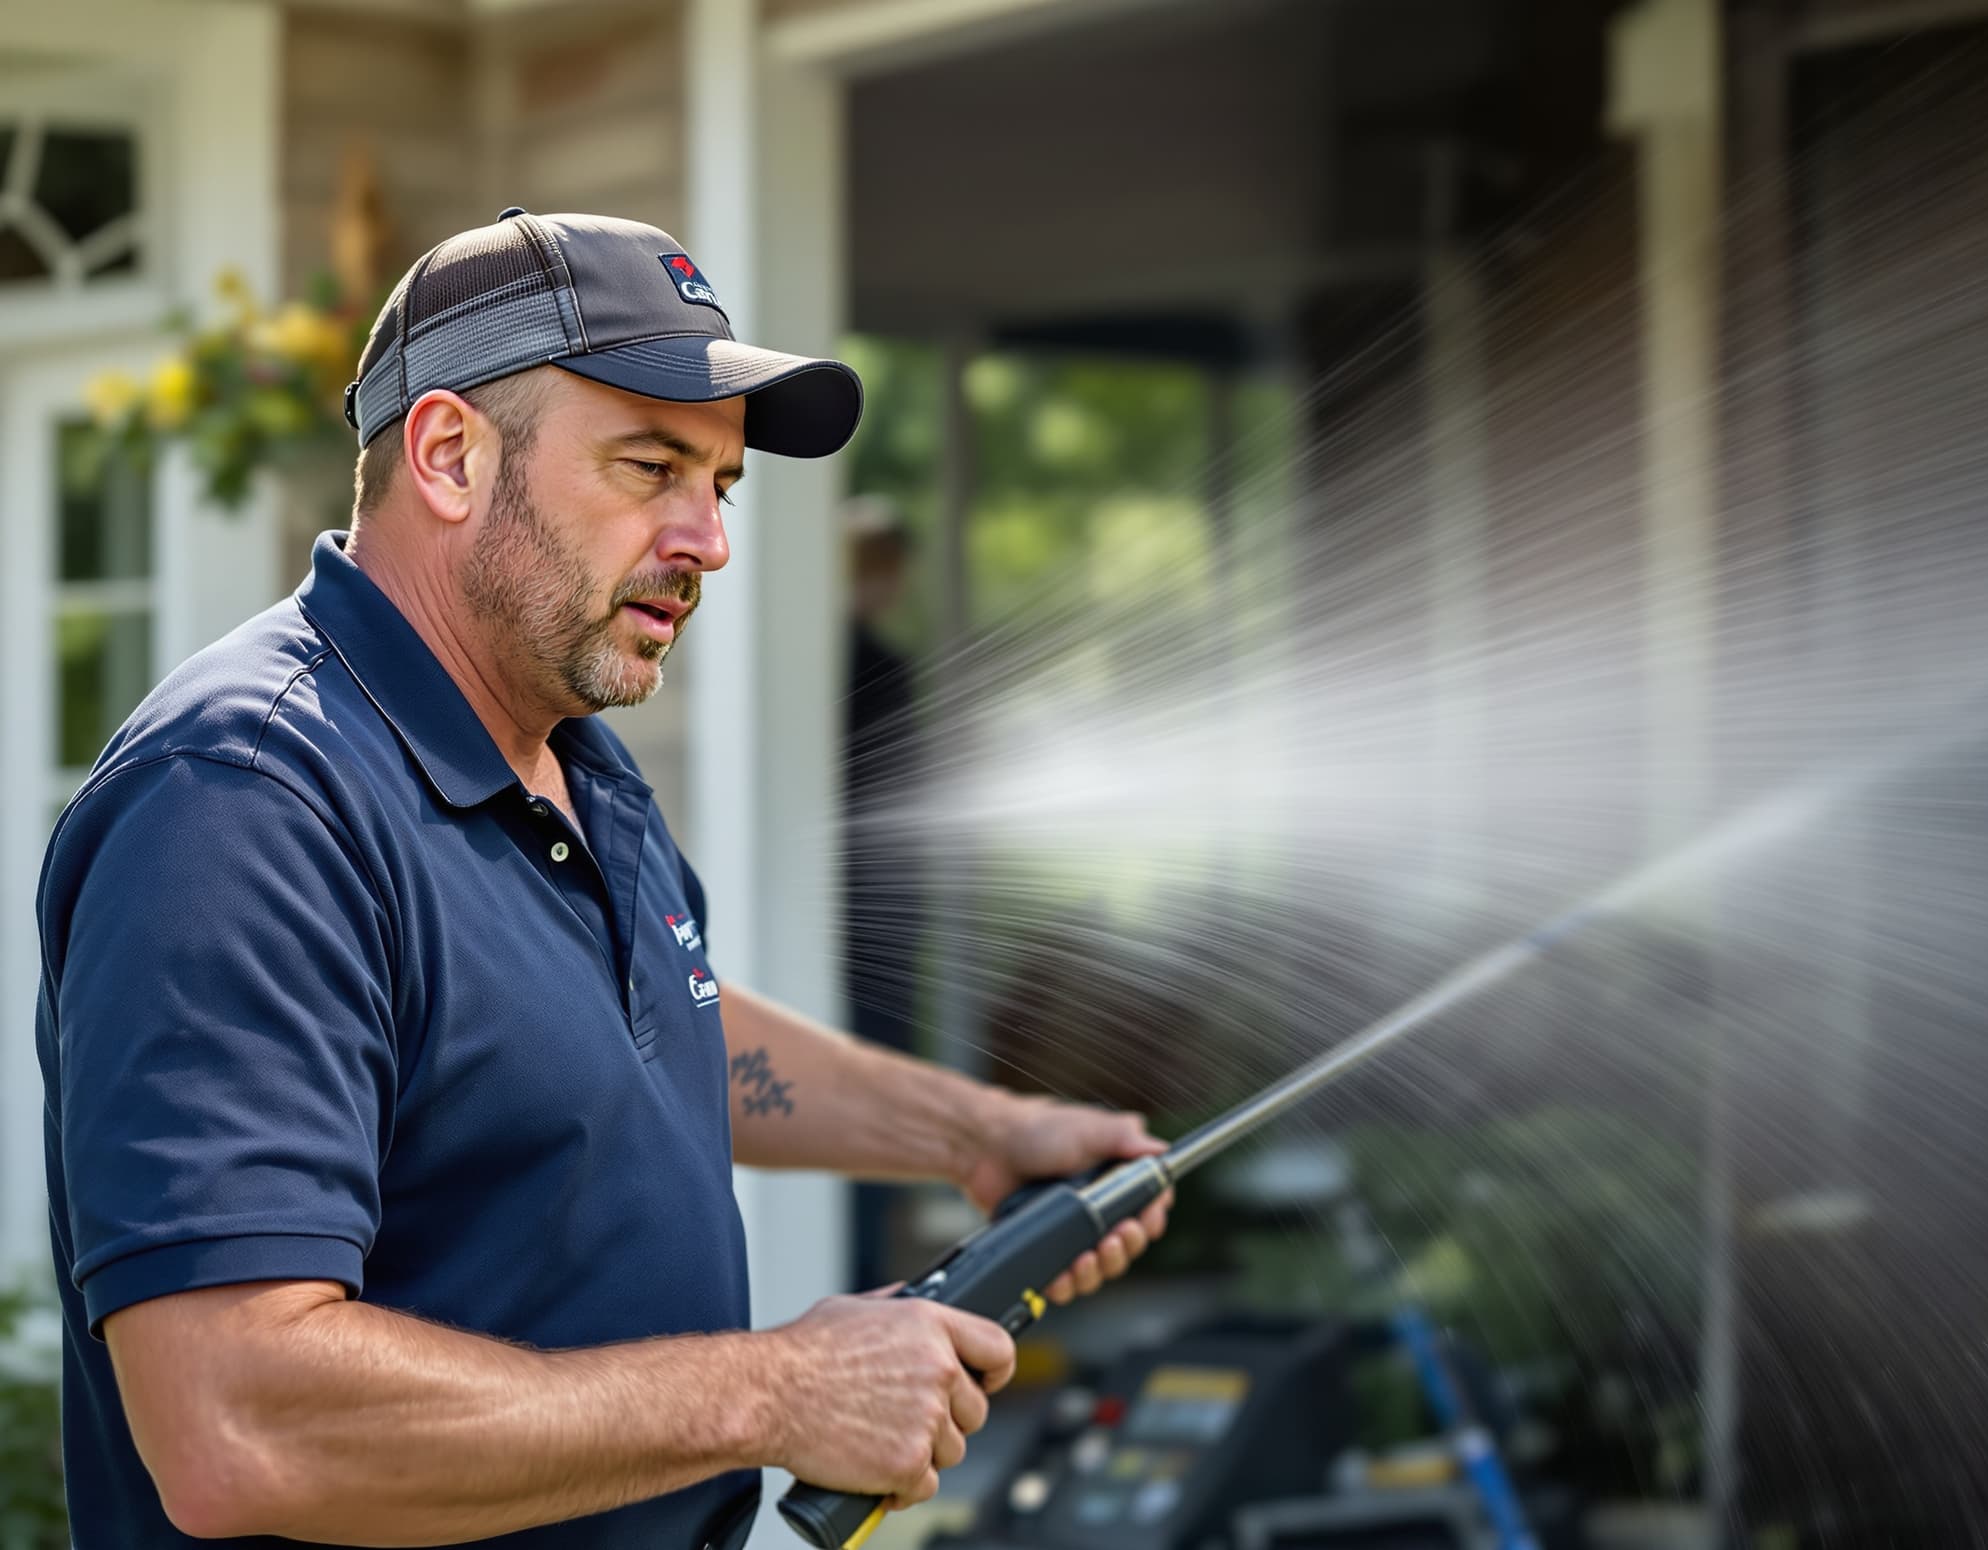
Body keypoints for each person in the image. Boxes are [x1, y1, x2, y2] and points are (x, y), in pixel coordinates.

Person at [35, 211, 1171, 1549]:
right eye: (650, 467)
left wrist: (969, 1134)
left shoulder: (571, 760)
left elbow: (648, 1030)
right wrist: (780, 1388)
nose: (708, 540)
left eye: (721, 485)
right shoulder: (246, 799)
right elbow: (240, 1422)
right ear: (449, 454)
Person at [840, 497, 925, 1288]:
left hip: (875, 945)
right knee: (864, 1125)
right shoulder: (864, 666)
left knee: (874, 1125)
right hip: (857, 948)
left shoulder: (853, 663)